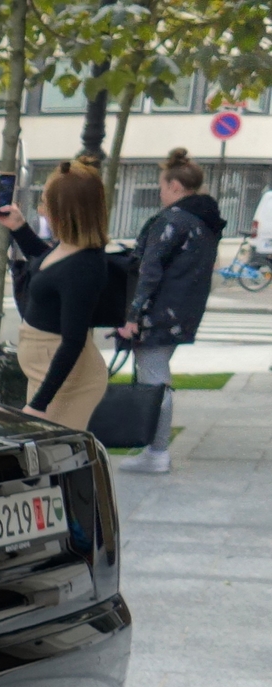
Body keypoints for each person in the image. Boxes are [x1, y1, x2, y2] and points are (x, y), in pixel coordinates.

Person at [113, 149, 224, 473]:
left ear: (175, 185)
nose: (160, 191)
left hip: (159, 313)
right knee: (157, 377)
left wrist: (132, 317)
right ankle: (154, 449)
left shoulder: (172, 220)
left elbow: (150, 271)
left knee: (155, 380)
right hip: (183, 312)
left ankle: (157, 452)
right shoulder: (205, 221)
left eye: (162, 185)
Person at [0, 156, 111, 431]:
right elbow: (47, 266)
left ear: (66, 210)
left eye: (46, 202)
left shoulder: (84, 265)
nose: (42, 210)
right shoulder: (68, 247)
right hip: (47, 374)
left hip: (67, 383)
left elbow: (73, 341)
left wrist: (39, 404)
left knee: (52, 460)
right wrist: (19, 228)